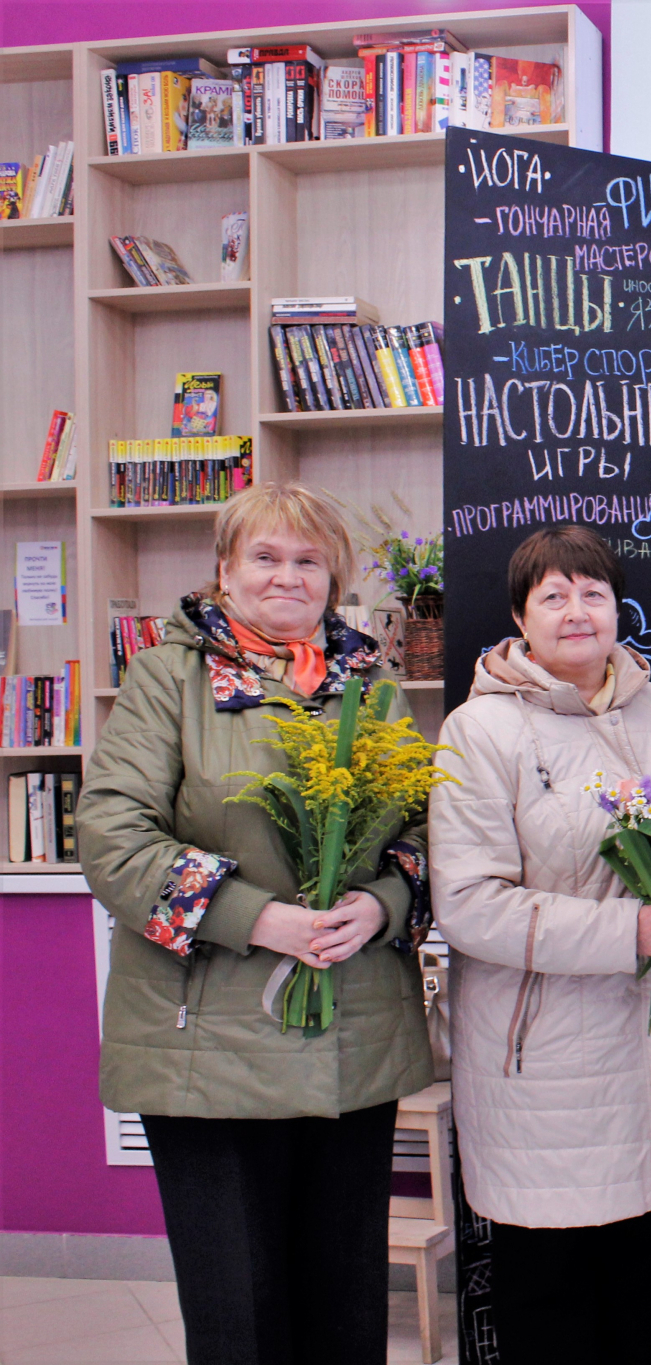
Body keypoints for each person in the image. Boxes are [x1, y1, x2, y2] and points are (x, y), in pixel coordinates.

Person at [81, 482, 431, 1365]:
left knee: (347, 1313)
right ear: (226, 571)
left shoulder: (374, 688)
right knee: (241, 1318)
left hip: (355, 1040)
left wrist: (384, 902)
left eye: (308, 560)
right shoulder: (170, 677)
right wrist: (257, 917)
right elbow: (112, 838)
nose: (288, 576)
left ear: (335, 578)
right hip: (208, 1054)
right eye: (265, 557)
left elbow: (426, 833)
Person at [429, 525, 651, 1364]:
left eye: (593, 591)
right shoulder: (480, 731)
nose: (577, 610)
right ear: (521, 617)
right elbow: (469, 904)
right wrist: (622, 930)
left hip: (647, 1047)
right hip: (545, 1065)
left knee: (632, 1292)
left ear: (618, 607)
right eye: (553, 595)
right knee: (549, 1290)